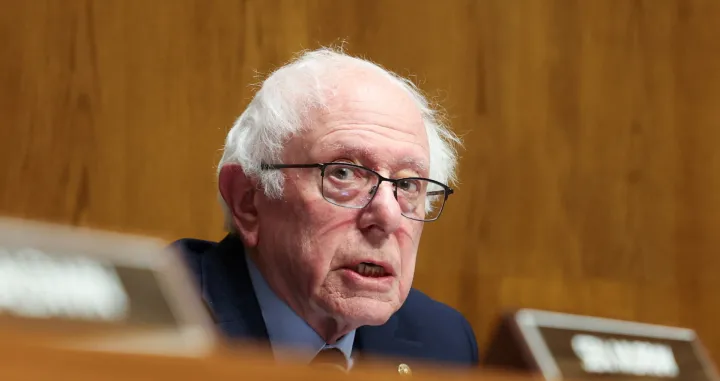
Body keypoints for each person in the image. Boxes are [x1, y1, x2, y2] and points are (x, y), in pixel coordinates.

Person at [173, 47, 478, 371]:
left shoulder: (443, 344)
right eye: (343, 173)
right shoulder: (156, 319)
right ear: (247, 200)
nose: (387, 216)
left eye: (407, 185)